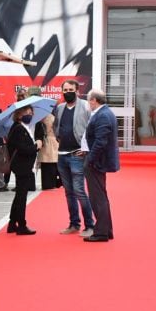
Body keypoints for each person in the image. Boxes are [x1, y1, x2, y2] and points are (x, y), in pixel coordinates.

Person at [53, 79, 95, 237]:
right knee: (68, 192)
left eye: (71, 89)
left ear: (77, 91)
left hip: (77, 155)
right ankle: (74, 224)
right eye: (65, 90)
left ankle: (90, 225)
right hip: (62, 155)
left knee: (79, 191)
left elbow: (92, 128)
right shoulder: (60, 108)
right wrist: (58, 137)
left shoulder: (85, 106)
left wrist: (86, 148)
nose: (67, 92)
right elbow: (56, 126)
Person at [79, 90, 119, 243]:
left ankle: (102, 232)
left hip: (96, 162)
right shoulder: (104, 113)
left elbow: (101, 141)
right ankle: (105, 229)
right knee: (100, 196)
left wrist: (90, 159)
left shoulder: (102, 115)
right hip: (97, 160)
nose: (88, 104)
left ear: (94, 100)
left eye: (88, 100)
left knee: (97, 197)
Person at [6, 106, 41, 235]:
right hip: (22, 166)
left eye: (31, 113)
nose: (30, 115)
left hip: (23, 166)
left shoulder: (21, 128)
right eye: (28, 113)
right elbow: (24, 149)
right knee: (21, 197)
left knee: (19, 195)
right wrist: (36, 145)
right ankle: (21, 224)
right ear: (20, 114)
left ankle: (12, 223)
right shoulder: (18, 129)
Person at [30, 86, 60, 190]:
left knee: (48, 164)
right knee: (50, 163)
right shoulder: (48, 108)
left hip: (47, 140)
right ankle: (52, 184)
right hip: (50, 140)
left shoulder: (39, 111)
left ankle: (50, 184)